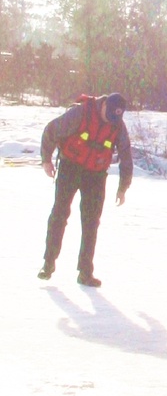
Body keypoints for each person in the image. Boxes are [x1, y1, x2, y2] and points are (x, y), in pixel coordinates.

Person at [38, 92, 132, 287]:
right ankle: (48, 264)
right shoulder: (80, 113)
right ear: (104, 105)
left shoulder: (118, 126)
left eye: (116, 118)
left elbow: (126, 155)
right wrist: (46, 160)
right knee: (59, 214)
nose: (111, 121)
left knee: (91, 223)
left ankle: (85, 272)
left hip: (96, 175)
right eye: (109, 116)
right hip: (70, 167)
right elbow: (51, 130)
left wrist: (123, 187)